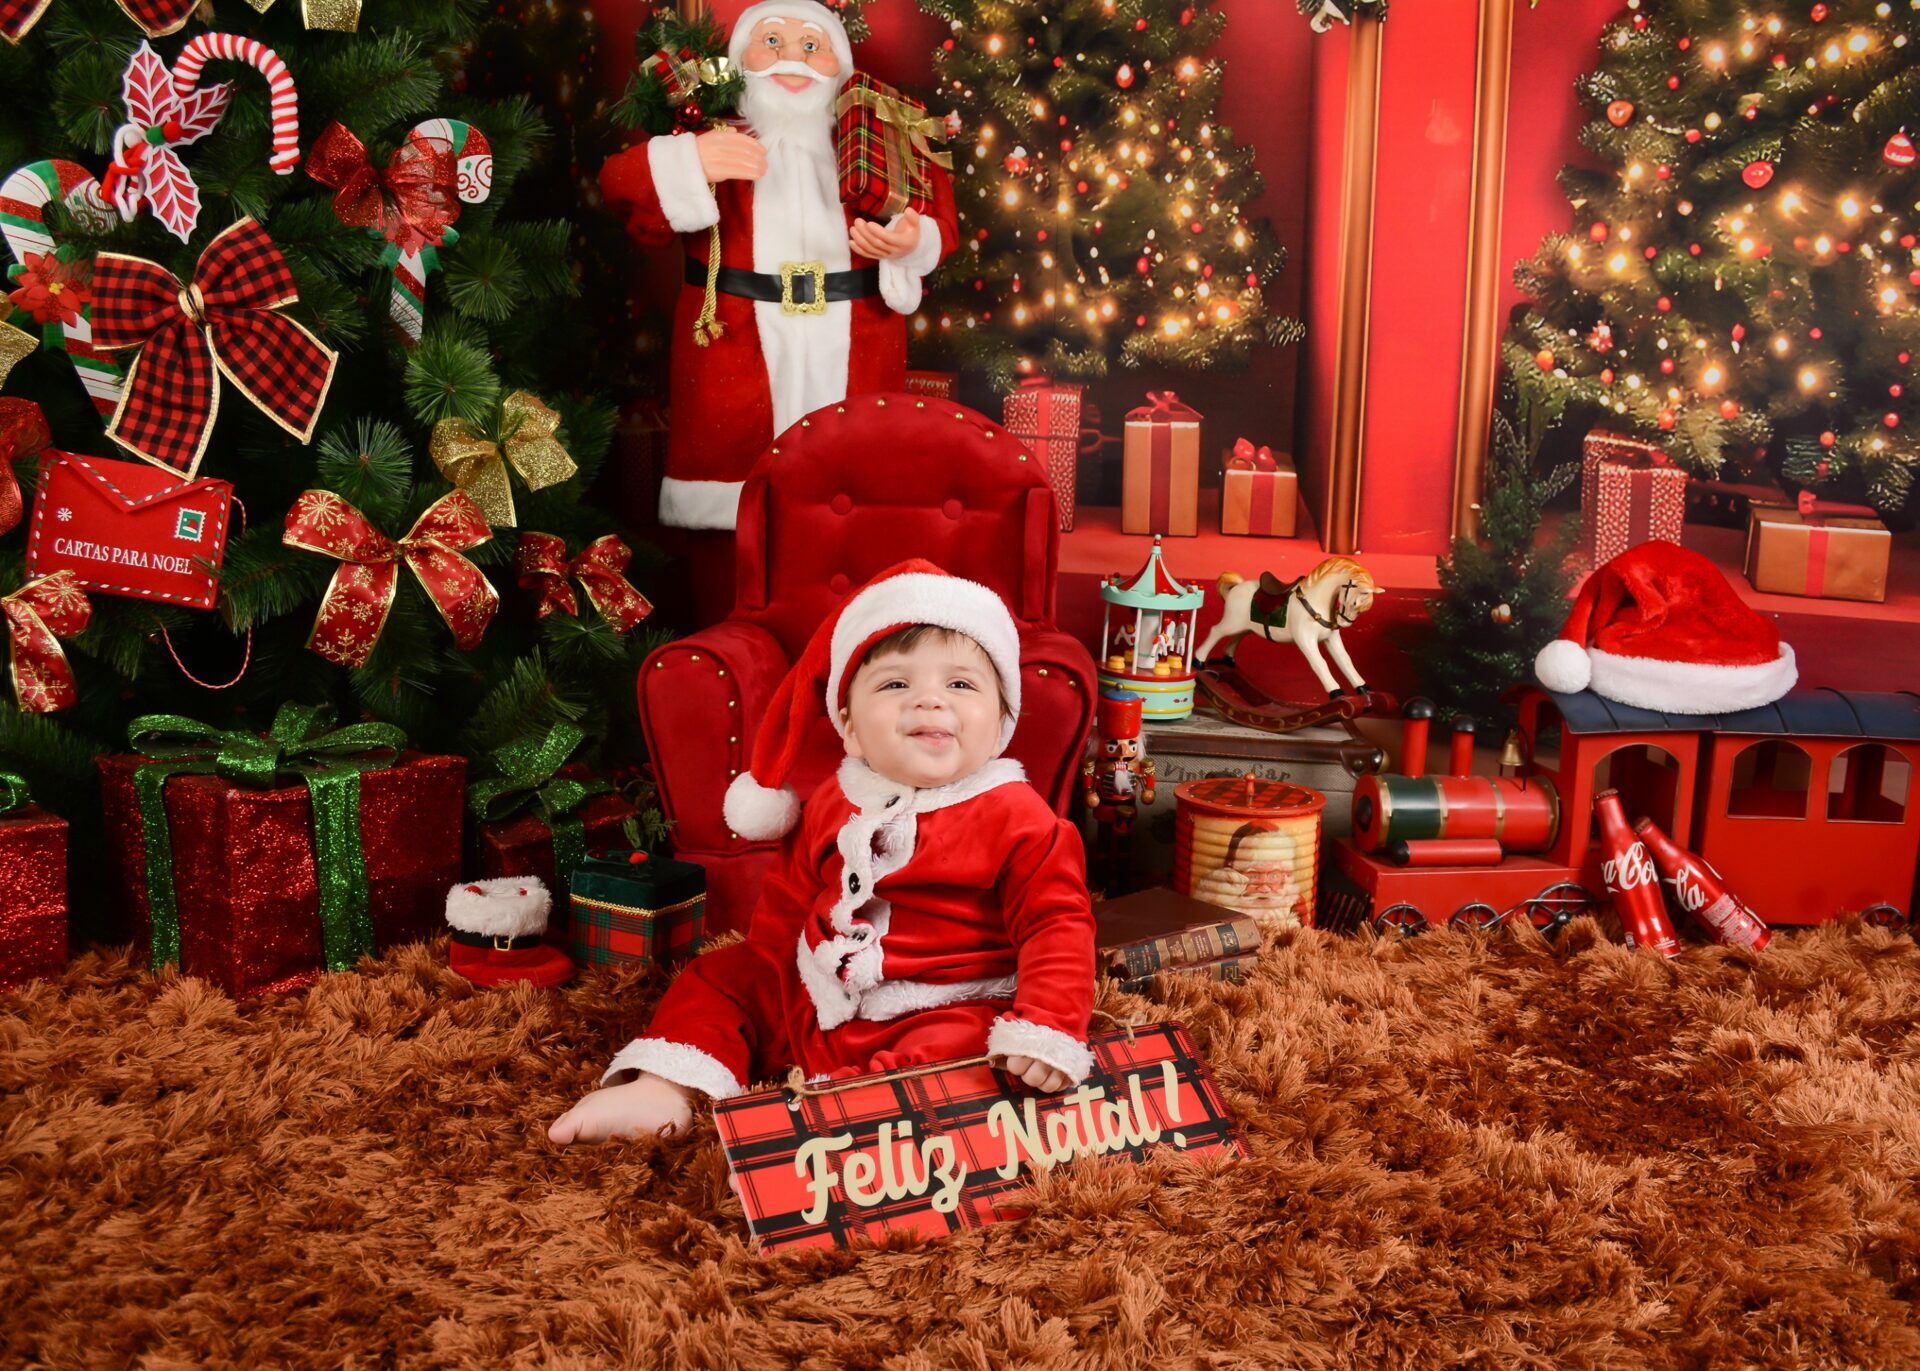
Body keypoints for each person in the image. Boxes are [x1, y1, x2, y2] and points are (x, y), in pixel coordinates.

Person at [549, 561, 1096, 1143]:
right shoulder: (838, 797)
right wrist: (768, 970)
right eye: (895, 685)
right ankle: (663, 1087)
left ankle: (852, 1125)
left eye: (960, 685)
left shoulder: (1020, 818)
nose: (930, 702)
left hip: (940, 1004)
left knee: (959, 1054)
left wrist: (1046, 1025)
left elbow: (1057, 925)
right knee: (721, 977)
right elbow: (790, 895)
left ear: (1002, 722)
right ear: (850, 727)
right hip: (822, 991)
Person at [600, 0, 959, 530]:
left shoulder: (873, 143)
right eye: (771, 41)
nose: (792, 57)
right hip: (733, 347)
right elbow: (620, 187)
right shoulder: (711, 134)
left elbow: (939, 220)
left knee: (852, 499)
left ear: (841, 66)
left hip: (856, 347)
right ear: (738, 60)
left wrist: (912, 239)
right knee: (731, 505)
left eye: (812, 45)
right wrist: (691, 162)